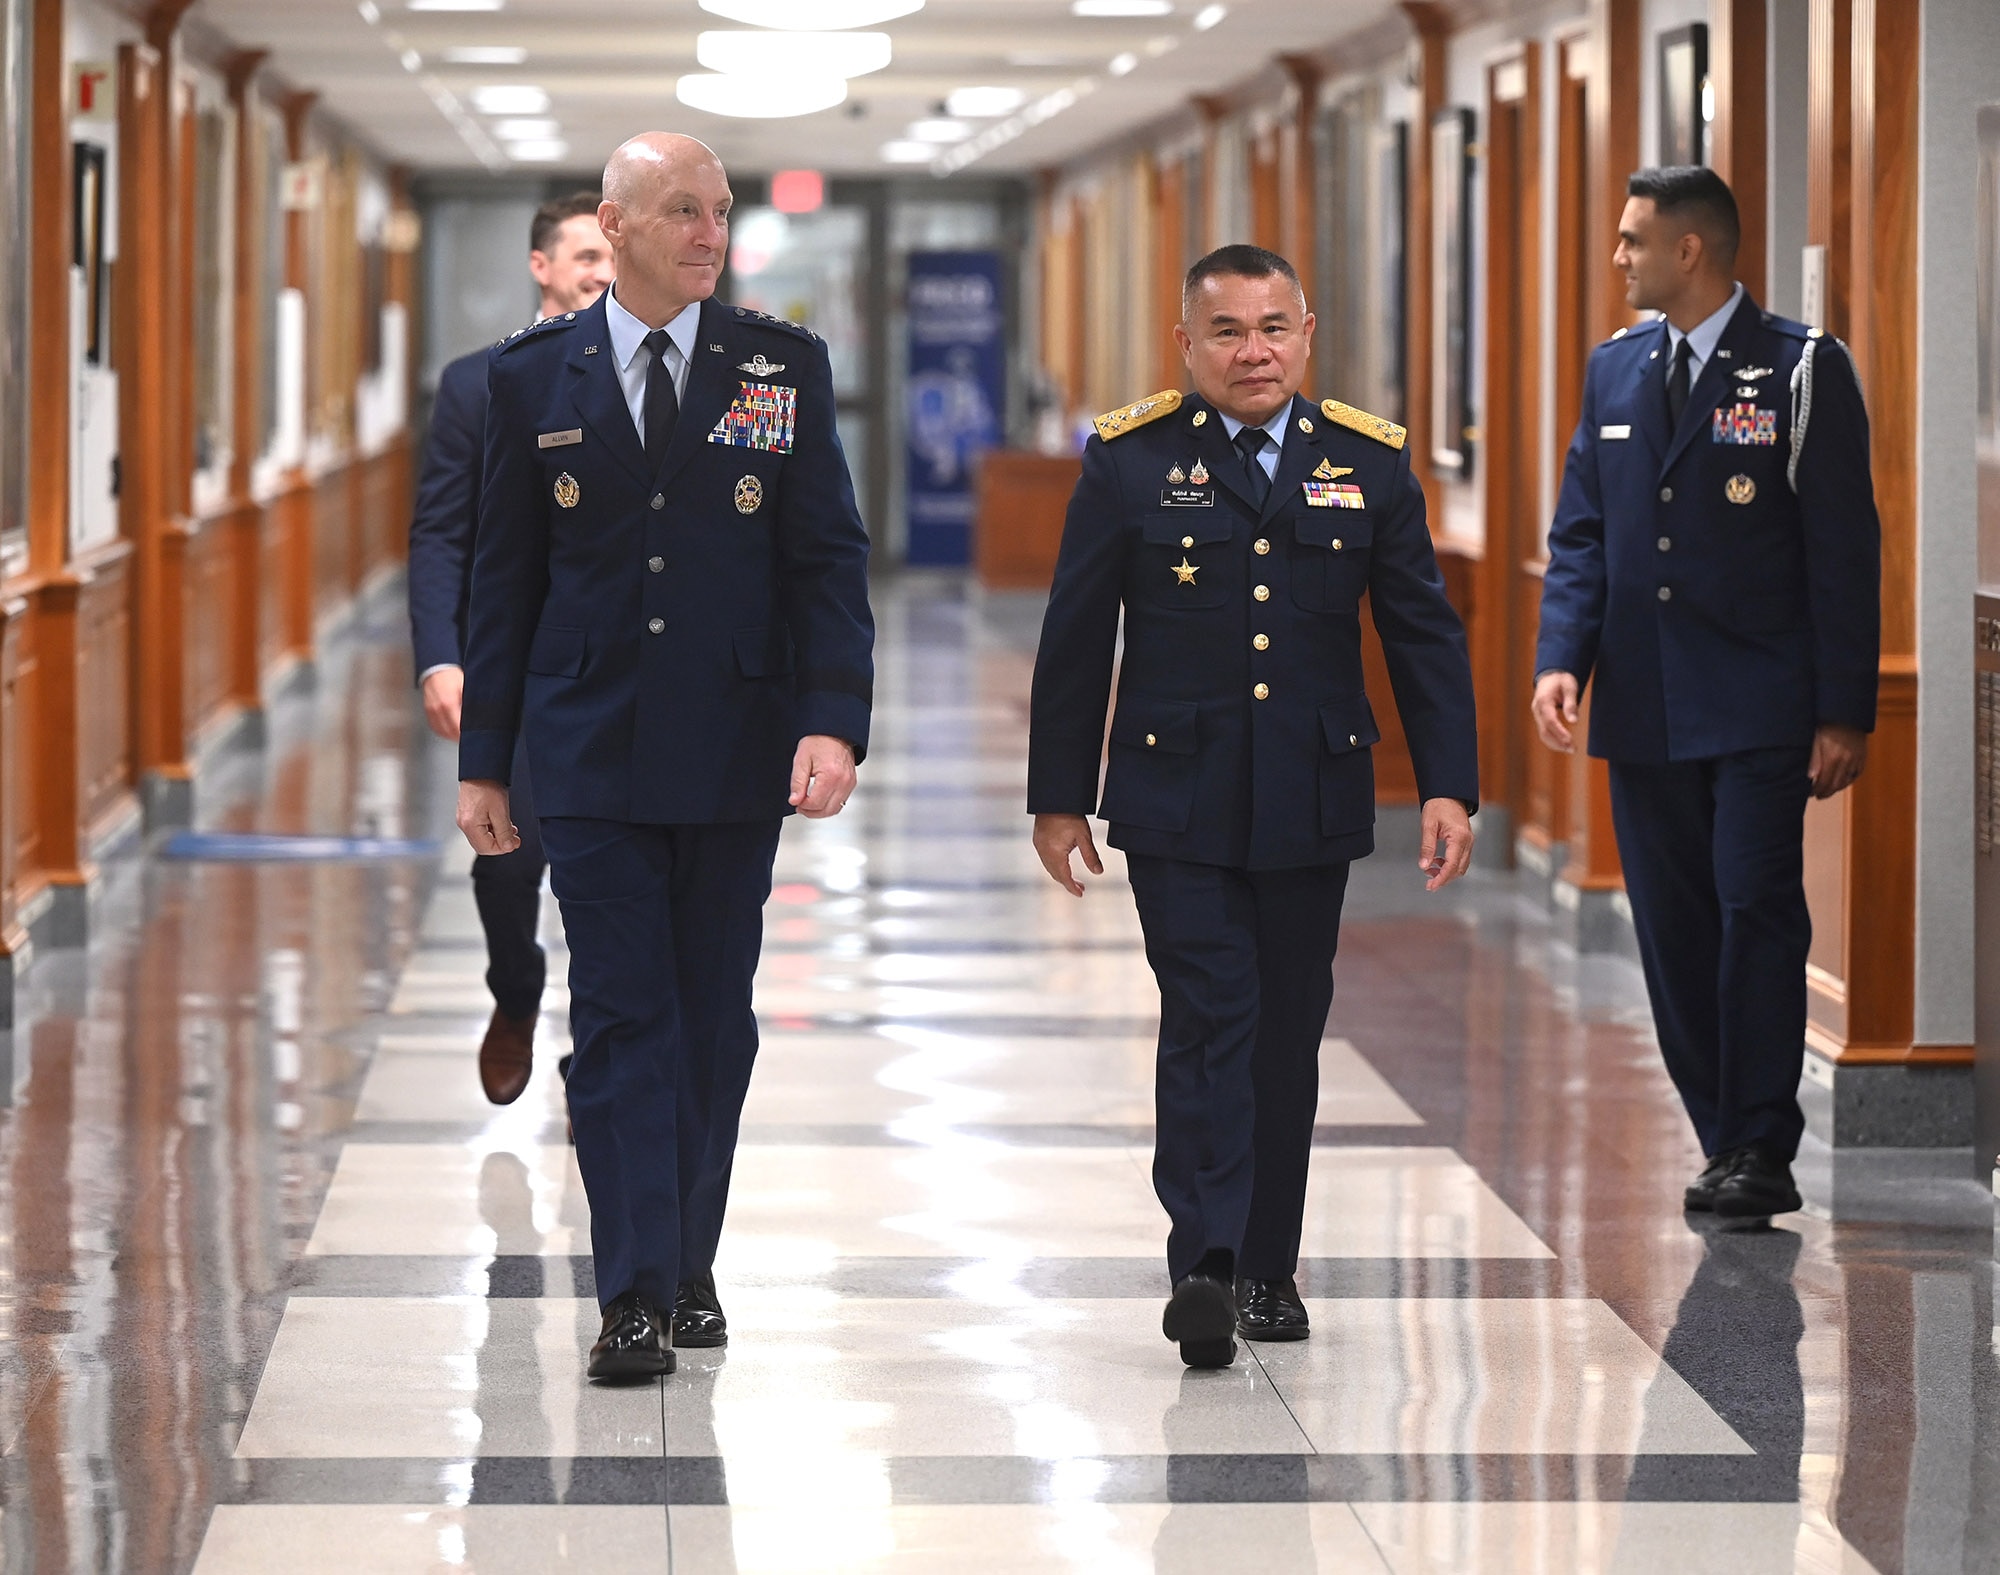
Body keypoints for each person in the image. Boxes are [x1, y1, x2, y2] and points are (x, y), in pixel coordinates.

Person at [456, 133, 874, 1381]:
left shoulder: (778, 367)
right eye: (683, 212)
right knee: (624, 1011)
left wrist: (830, 719)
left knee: (710, 1019)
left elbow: (825, 563)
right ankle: (631, 1292)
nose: (708, 233)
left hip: (733, 745)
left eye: (720, 212)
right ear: (616, 222)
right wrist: (488, 764)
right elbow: (502, 581)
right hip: (582, 751)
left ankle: (689, 1256)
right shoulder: (533, 380)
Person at [1028, 244, 1478, 1369]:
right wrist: (1057, 797)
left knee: (1285, 1030)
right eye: (1226, 331)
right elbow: (1076, 636)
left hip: (1310, 794)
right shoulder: (1129, 461)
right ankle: (1207, 1263)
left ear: (1306, 333)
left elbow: (1421, 635)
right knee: (1208, 1016)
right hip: (1171, 795)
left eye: (1272, 326)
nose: (1253, 351)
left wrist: (1448, 785)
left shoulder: (1365, 464)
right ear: (1186, 347)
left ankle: (1268, 1265)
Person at [1533, 166, 1880, 1219]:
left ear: (1689, 249)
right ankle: (1721, 1132)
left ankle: (1758, 1146)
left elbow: (1841, 549)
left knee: (1754, 908)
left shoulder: (1799, 369)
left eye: (1633, 239)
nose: (1618, 256)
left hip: (1761, 703)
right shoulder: (1615, 370)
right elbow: (1582, 530)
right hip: (1643, 702)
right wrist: (1562, 654)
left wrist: (1842, 709)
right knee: (1672, 927)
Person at [408, 191, 612, 1105]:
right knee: (508, 857)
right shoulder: (479, 382)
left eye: (611, 257)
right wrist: (439, 655)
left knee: (609, 872)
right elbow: (441, 534)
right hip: (515, 671)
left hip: (614, 668)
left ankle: (592, 1051)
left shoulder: (652, 373)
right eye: (584, 258)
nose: (601, 273)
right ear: (542, 266)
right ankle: (516, 991)